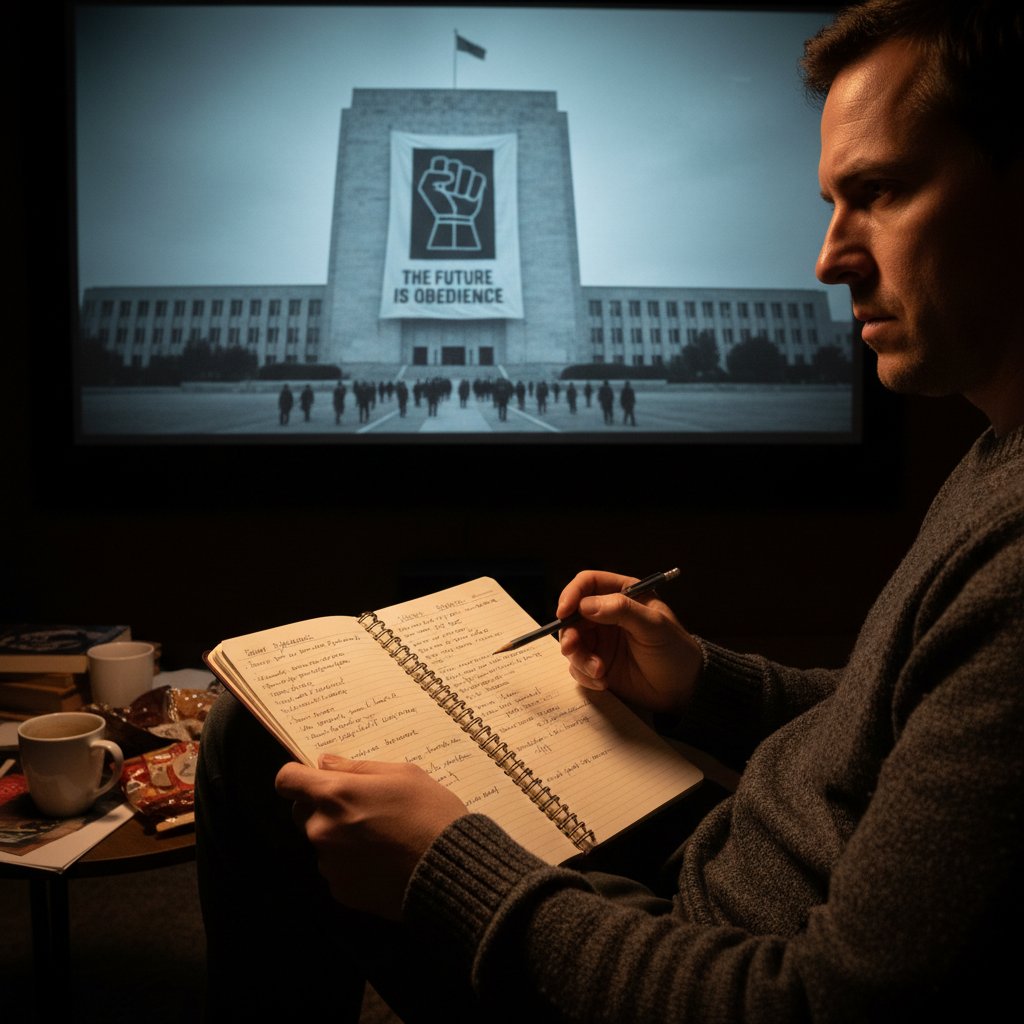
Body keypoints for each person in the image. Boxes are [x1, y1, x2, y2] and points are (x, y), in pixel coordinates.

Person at [197, 3, 1024, 1020]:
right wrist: (705, 683)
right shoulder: (998, 453)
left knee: (268, 750)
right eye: (830, 203)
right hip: (733, 861)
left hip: (714, 951)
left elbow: (820, 1002)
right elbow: (898, 728)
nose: (827, 257)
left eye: (880, 192)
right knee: (275, 720)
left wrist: (443, 865)